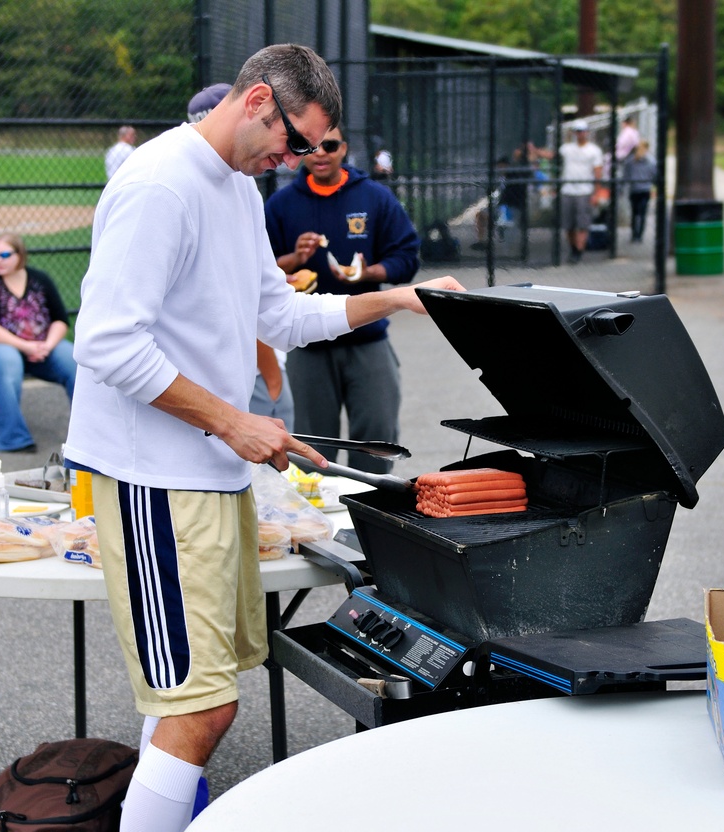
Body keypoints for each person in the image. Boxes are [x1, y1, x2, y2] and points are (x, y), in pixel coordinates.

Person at [64, 43, 463, 832]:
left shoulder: (238, 187)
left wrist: (397, 298)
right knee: (200, 707)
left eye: (310, 148)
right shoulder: (159, 185)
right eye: (293, 139)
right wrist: (232, 419)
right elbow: (107, 344)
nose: (297, 158)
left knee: (190, 702)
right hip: (154, 477)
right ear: (254, 101)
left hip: (209, 473)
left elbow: (278, 317)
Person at [264, 124, 421, 474]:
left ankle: (370, 519)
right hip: (307, 343)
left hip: (366, 338)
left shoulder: (374, 198)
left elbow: (407, 258)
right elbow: (254, 269)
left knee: (378, 440)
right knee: (311, 450)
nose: (320, 154)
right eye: (311, 146)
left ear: (344, 149)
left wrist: (370, 273)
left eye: (330, 145)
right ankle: (321, 522)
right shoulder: (281, 204)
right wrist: (294, 260)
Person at [188, 81, 295, 431]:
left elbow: (259, 291)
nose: (289, 161)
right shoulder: (172, 184)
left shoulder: (242, 184)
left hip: (246, 364)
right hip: (216, 379)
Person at [0, 234, 77, 453]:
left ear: (20, 255)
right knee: (9, 362)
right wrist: (26, 346)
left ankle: (86, 436)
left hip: (41, 346)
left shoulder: (39, 280)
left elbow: (60, 319)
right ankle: (13, 438)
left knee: (74, 362)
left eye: (5, 255)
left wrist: (47, 346)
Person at [535, 119, 604, 264]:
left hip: (585, 191)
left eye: (582, 131)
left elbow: (598, 172)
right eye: (577, 131)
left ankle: (578, 251)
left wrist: (596, 193)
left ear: (587, 132)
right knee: (569, 224)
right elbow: (552, 155)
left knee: (582, 224)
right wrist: (536, 151)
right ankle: (574, 248)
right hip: (568, 190)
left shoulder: (594, 151)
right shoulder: (567, 148)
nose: (580, 134)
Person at [623, 139, 657, 243]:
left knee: (634, 213)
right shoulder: (651, 161)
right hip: (645, 189)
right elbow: (654, 175)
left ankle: (634, 235)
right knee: (642, 213)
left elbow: (626, 175)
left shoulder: (630, 160)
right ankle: (639, 236)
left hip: (634, 189)